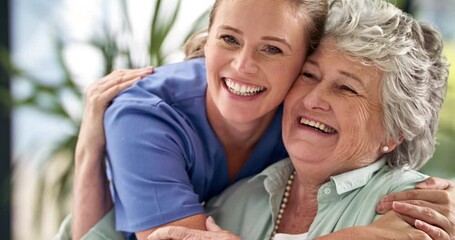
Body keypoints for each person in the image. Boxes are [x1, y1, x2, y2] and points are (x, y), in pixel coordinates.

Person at [63, 0, 455, 240]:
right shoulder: (240, 198)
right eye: (311, 76)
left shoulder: (410, 211)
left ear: (395, 131)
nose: (312, 99)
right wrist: (88, 152)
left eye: (346, 89)